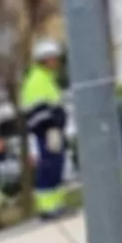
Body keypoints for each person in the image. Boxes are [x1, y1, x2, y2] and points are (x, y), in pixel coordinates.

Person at [20, 38, 71, 217]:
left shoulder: (47, 78)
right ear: (45, 59)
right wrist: (52, 124)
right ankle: (47, 208)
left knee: (56, 167)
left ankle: (56, 205)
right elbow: (35, 112)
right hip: (46, 132)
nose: (56, 62)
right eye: (53, 58)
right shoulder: (37, 80)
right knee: (49, 168)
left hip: (52, 131)